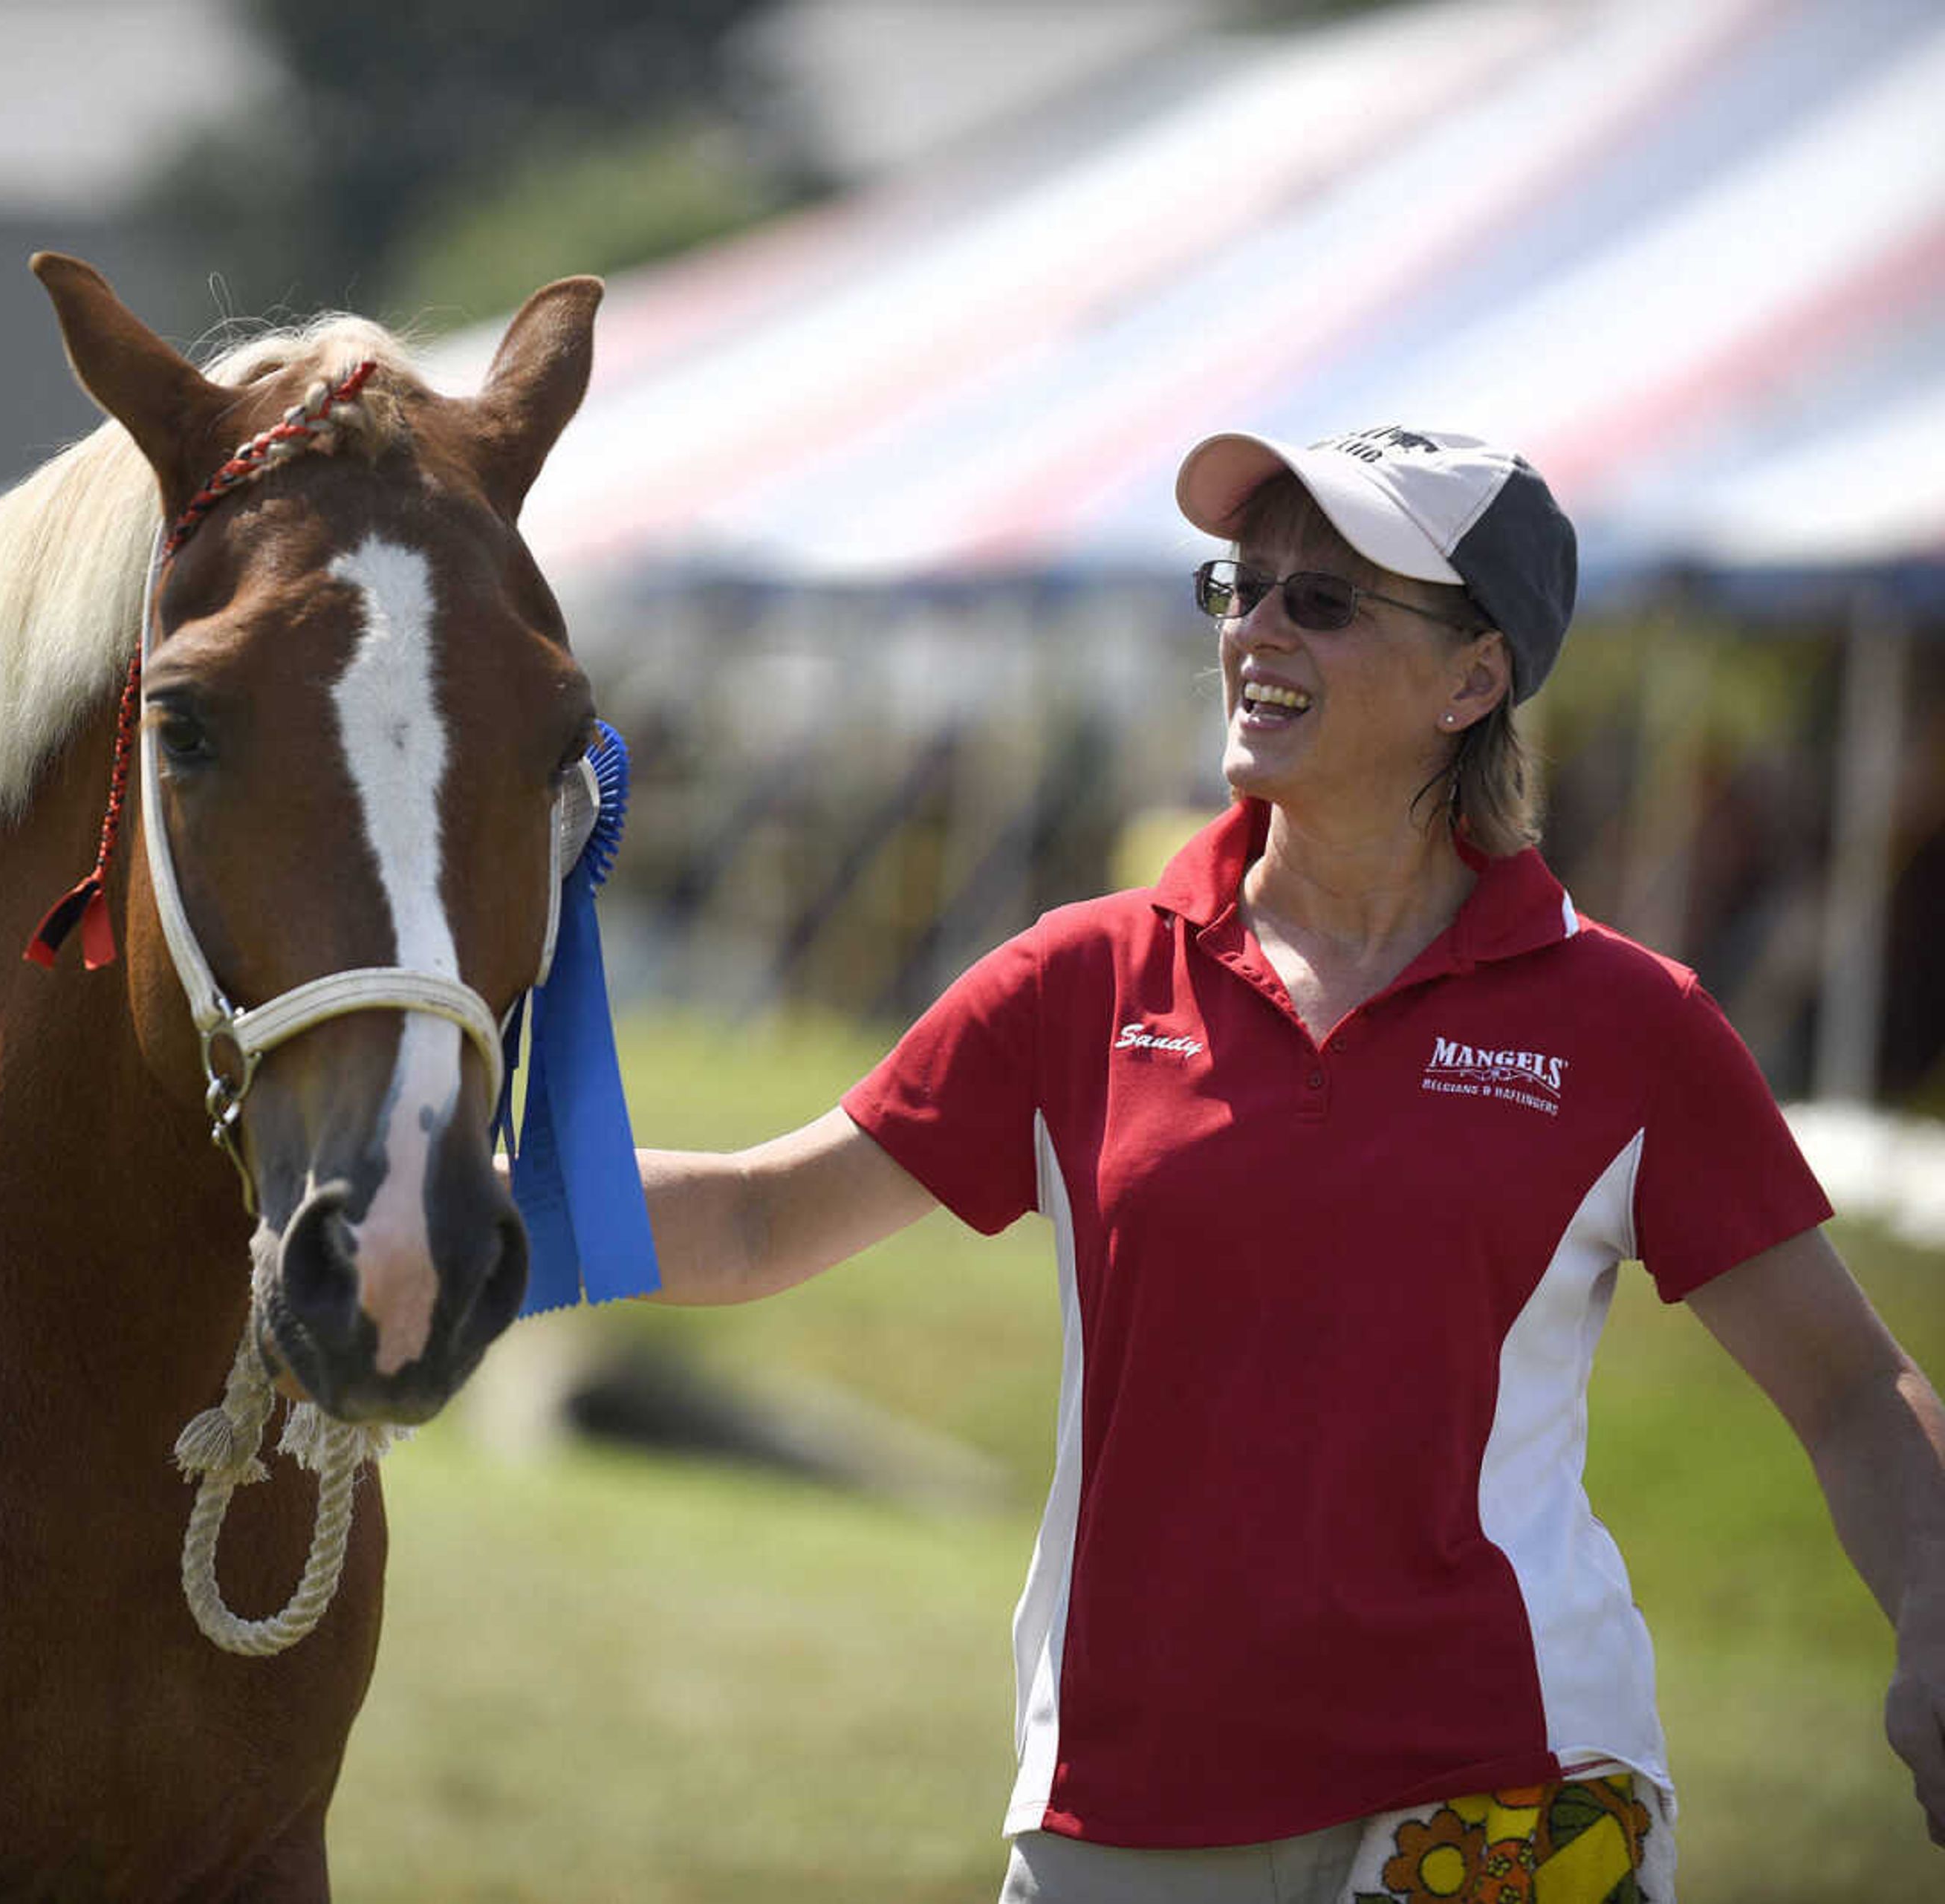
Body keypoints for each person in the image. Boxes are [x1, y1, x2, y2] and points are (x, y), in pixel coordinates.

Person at [631, 426, 1945, 1900]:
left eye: (1325, 600)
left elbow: (1848, 1384)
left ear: (1475, 676)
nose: (1254, 626)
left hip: (1510, 1789)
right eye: (1242, 587)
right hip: (1119, 1809)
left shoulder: (1633, 1026)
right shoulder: (1081, 977)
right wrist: (440, 1189)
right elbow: (753, 1225)